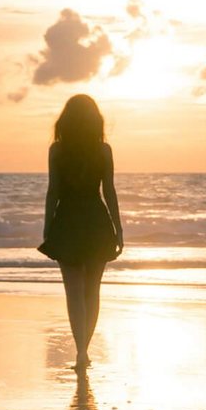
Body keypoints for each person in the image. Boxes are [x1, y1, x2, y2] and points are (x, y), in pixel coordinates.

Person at [37, 94, 123, 372]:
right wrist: (118, 229)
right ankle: (83, 350)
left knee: (73, 293)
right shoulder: (103, 150)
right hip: (96, 221)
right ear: (95, 120)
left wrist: (48, 226)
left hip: (68, 220)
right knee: (92, 292)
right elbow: (108, 191)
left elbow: (53, 192)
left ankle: (81, 352)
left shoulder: (57, 151)